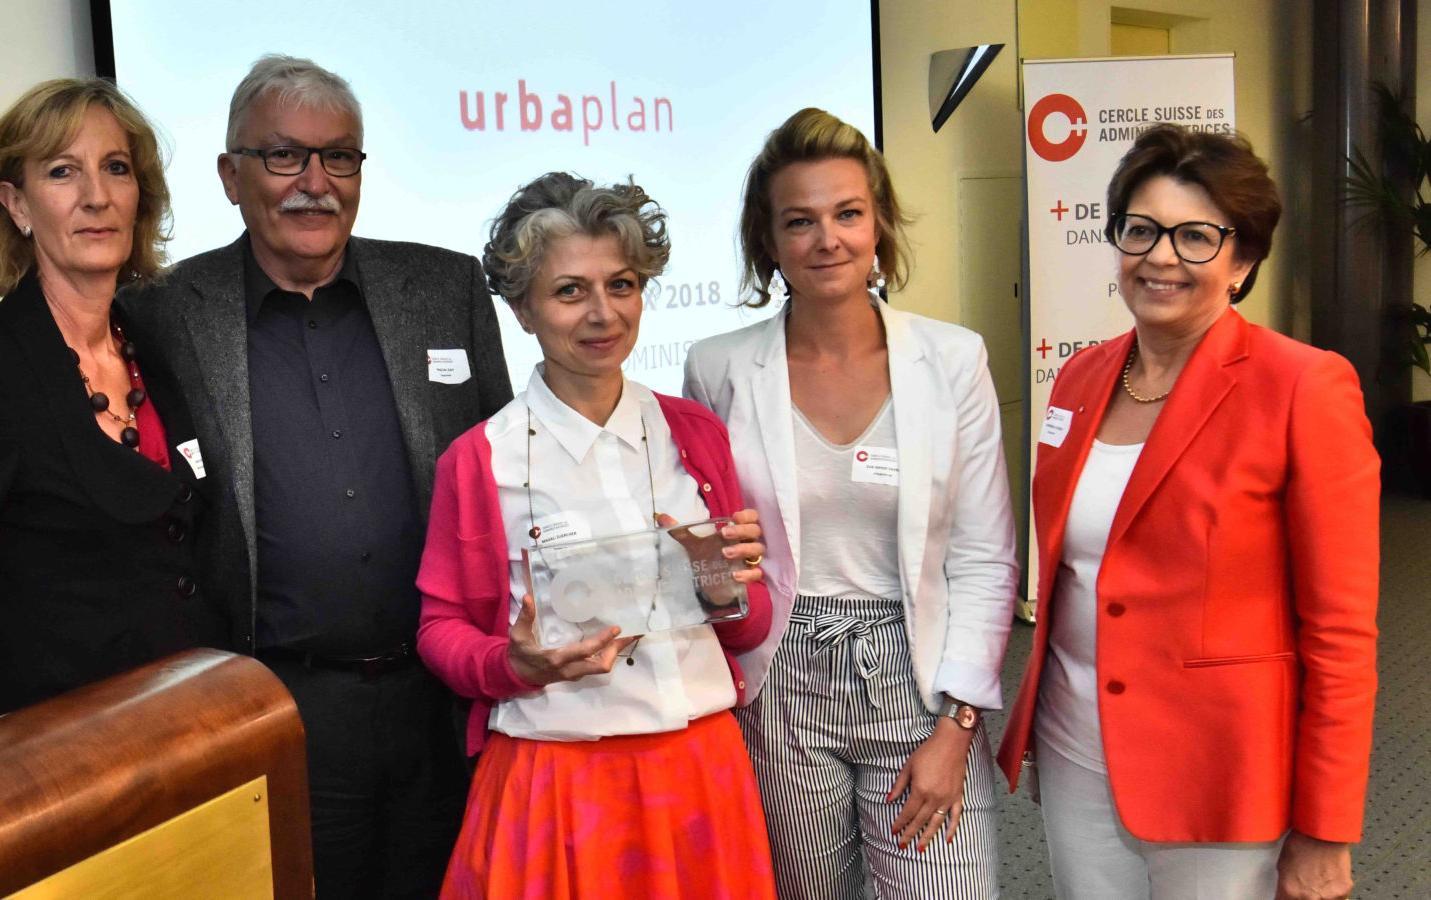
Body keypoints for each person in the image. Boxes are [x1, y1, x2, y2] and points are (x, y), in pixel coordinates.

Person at [114, 56, 512, 898]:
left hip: (440, 701)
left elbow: (509, 477)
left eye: (340, 157)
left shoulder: (443, 289)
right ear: (231, 175)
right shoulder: (163, 315)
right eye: (285, 156)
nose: (315, 183)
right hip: (276, 705)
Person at [996, 124, 1378, 900]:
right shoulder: (1081, 377)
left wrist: (1327, 827)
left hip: (1221, 773)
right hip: (1077, 749)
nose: (1161, 256)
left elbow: (1341, 633)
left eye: (1196, 237)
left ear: (1242, 262)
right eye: (1141, 230)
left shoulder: (1303, 387)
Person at [683, 108, 1018, 899]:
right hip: (781, 686)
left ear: (878, 227)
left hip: (917, 673)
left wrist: (958, 727)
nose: (826, 239)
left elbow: (985, 557)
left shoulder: (952, 359)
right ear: (767, 242)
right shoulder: (717, 368)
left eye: (847, 214)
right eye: (799, 221)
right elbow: (706, 547)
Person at [417, 172, 777, 899]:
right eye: (569, 290)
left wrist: (724, 584)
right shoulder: (480, 458)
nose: (602, 313)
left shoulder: (694, 434)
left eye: (621, 284)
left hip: (699, 769)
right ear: (521, 308)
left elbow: (750, 622)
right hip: (556, 777)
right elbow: (439, 631)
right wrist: (514, 664)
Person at [0, 79, 225, 719]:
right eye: (63, 172)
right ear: (17, 205)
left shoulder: (158, 346)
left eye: (116, 169)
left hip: (197, 743)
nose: (96, 196)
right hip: (61, 766)